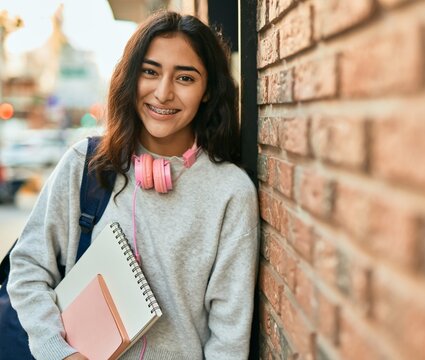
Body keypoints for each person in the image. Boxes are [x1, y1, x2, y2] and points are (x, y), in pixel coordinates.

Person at [7, 10, 259, 360]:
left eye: (185, 78)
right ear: (131, 76)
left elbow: (229, 338)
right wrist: (58, 352)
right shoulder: (86, 164)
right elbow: (27, 268)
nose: (163, 92)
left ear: (207, 91)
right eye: (150, 72)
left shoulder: (231, 192)